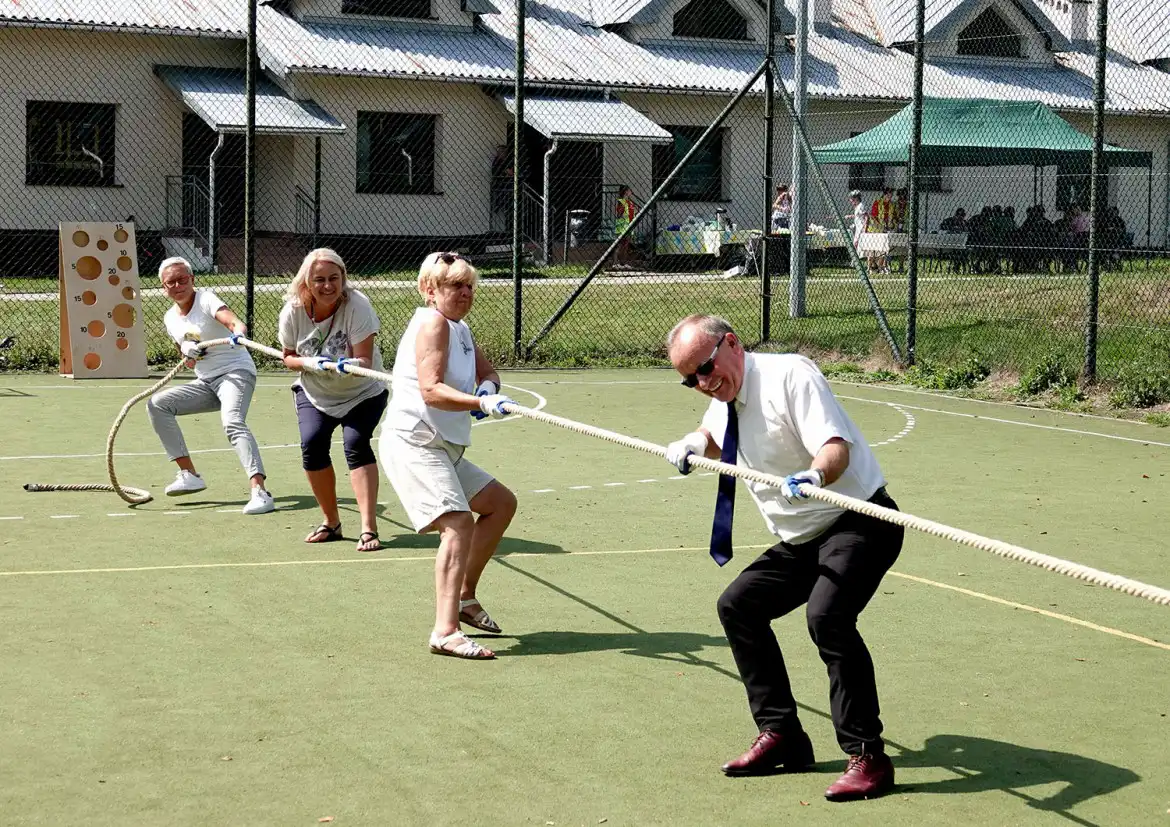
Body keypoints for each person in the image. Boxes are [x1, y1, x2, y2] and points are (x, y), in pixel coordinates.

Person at [663, 313, 904, 802]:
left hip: (858, 520)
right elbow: (714, 432)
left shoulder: (790, 375)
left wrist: (814, 476)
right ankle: (784, 737)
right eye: (690, 380)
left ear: (732, 344)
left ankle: (869, 757)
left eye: (705, 369)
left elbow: (834, 448)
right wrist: (693, 443)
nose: (703, 384)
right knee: (739, 606)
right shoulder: (725, 392)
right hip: (802, 540)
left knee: (828, 617)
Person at [379, 252, 519, 660]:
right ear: (430, 290)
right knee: (457, 524)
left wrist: (488, 391)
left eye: (469, 285)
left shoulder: (460, 328)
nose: (464, 293)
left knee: (500, 504)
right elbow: (430, 389)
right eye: (454, 285)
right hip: (416, 443)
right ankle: (445, 630)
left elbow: (488, 373)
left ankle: (464, 594)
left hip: (446, 447)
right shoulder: (432, 322)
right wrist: (479, 401)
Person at [278, 248, 388, 552]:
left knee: (355, 444)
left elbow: (364, 359)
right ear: (306, 283)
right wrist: (312, 364)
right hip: (315, 392)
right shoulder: (293, 311)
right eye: (320, 280)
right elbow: (288, 358)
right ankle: (331, 522)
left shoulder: (358, 305)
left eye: (334, 278)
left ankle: (368, 528)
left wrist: (349, 366)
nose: (328, 286)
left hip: (362, 392)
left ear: (343, 278)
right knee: (312, 445)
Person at [146, 256, 274, 515]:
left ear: (193, 280)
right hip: (206, 382)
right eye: (171, 282)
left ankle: (260, 491)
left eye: (183, 280)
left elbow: (234, 322)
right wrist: (187, 352)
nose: (178, 286)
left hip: (235, 374)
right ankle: (188, 474)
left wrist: (238, 334)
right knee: (158, 404)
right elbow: (190, 362)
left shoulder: (206, 299)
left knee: (232, 422)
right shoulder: (170, 317)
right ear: (163, 287)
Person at [614, 185, 638, 269]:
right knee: (620, 245)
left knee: (626, 246)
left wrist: (635, 212)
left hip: (629, 226)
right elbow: (619, 214)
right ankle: (616, 263)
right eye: (629, 190)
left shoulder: (629, 202)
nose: (631, 192)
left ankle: (623, 264)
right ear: (626, 192)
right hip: (622, 227)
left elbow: (633, 213)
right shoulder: (622, 201)